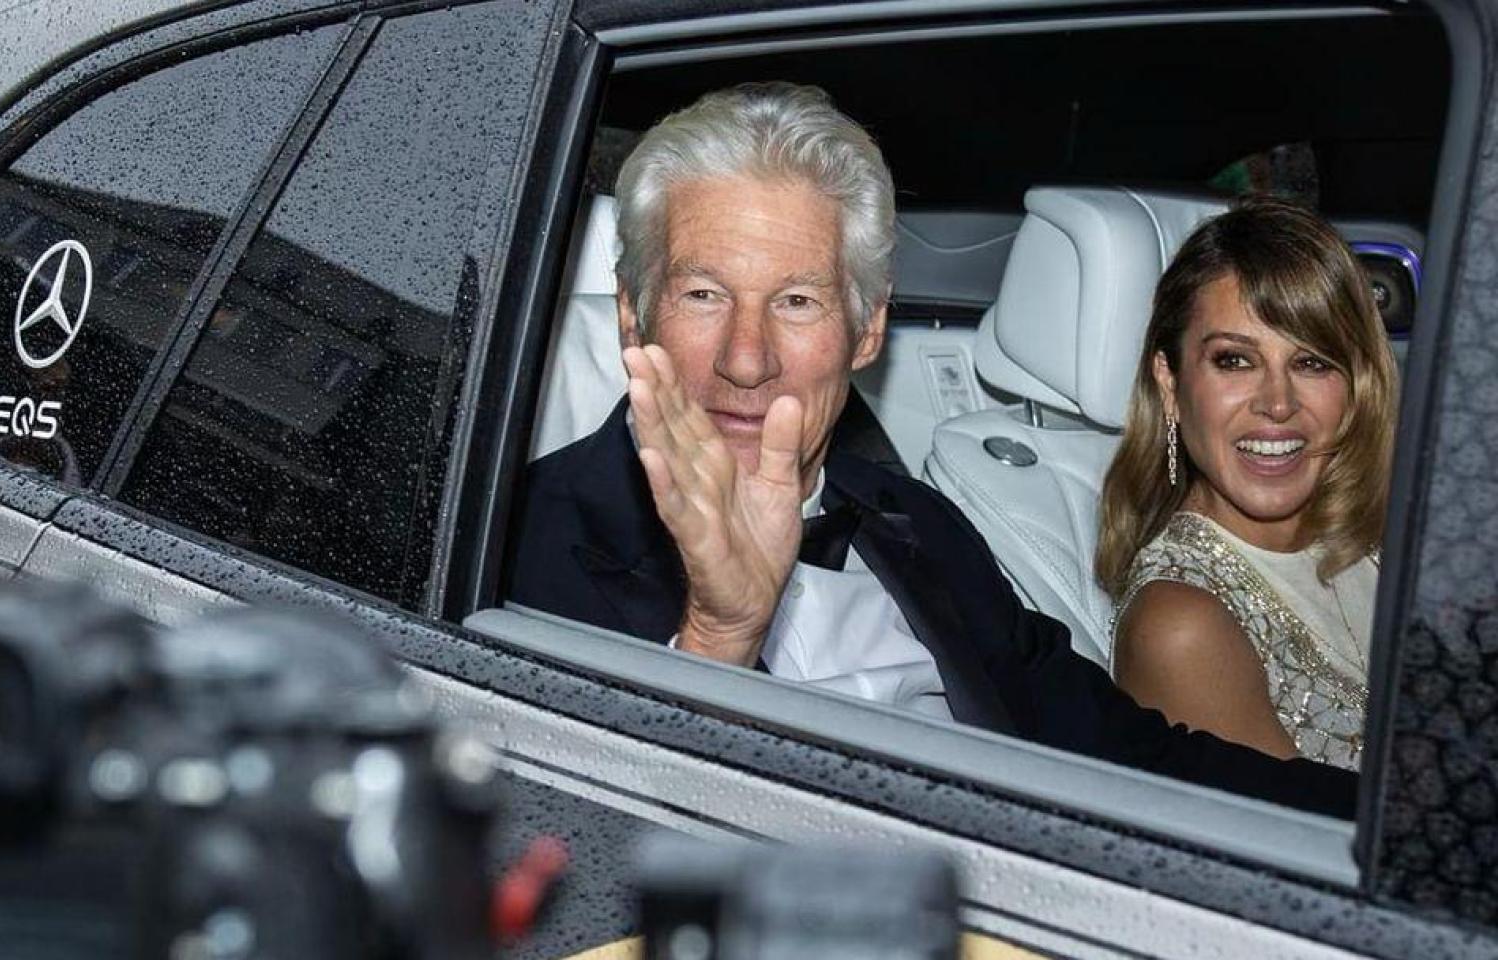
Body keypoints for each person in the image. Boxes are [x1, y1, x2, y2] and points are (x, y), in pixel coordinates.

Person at [506, 82, 1356, 816]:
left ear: (867, 329)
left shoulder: (914, 522)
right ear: (632, 312)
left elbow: (1132, 759)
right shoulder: (512, 549)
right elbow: (569, 861)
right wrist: (718, 637)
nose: (746, 358)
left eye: (797, 301)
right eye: (702, 294)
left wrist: (1400, 828)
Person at [1096, 198, 1397, 771]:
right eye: (1234, 361)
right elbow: (1309, 851)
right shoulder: (1181, 625)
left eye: (1312, 363)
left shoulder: (1387, 541)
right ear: (1170, 381)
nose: (1278, 404)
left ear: (1357, 385)